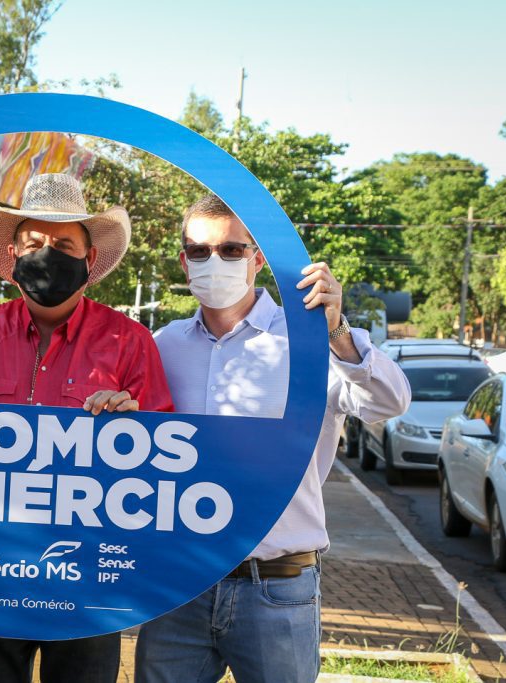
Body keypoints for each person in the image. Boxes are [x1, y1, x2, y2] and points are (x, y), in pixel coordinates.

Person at [0, 173, 175, 683]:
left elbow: (164, 460)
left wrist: (134, 424)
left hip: (87, 577)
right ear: (13, 255)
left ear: (90, 258)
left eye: (63, 245)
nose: (47, 254)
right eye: (34, 244)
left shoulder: (130, 340)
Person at [136, 195, 410, 683]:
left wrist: (338, 331)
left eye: (231, 250)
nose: (214, 261)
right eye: (199, 251)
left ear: (257, 258)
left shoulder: (307, 338)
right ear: (183, 261)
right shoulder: (163, 346)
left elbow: (388, 403)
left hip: (276, 588)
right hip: (178, 585)